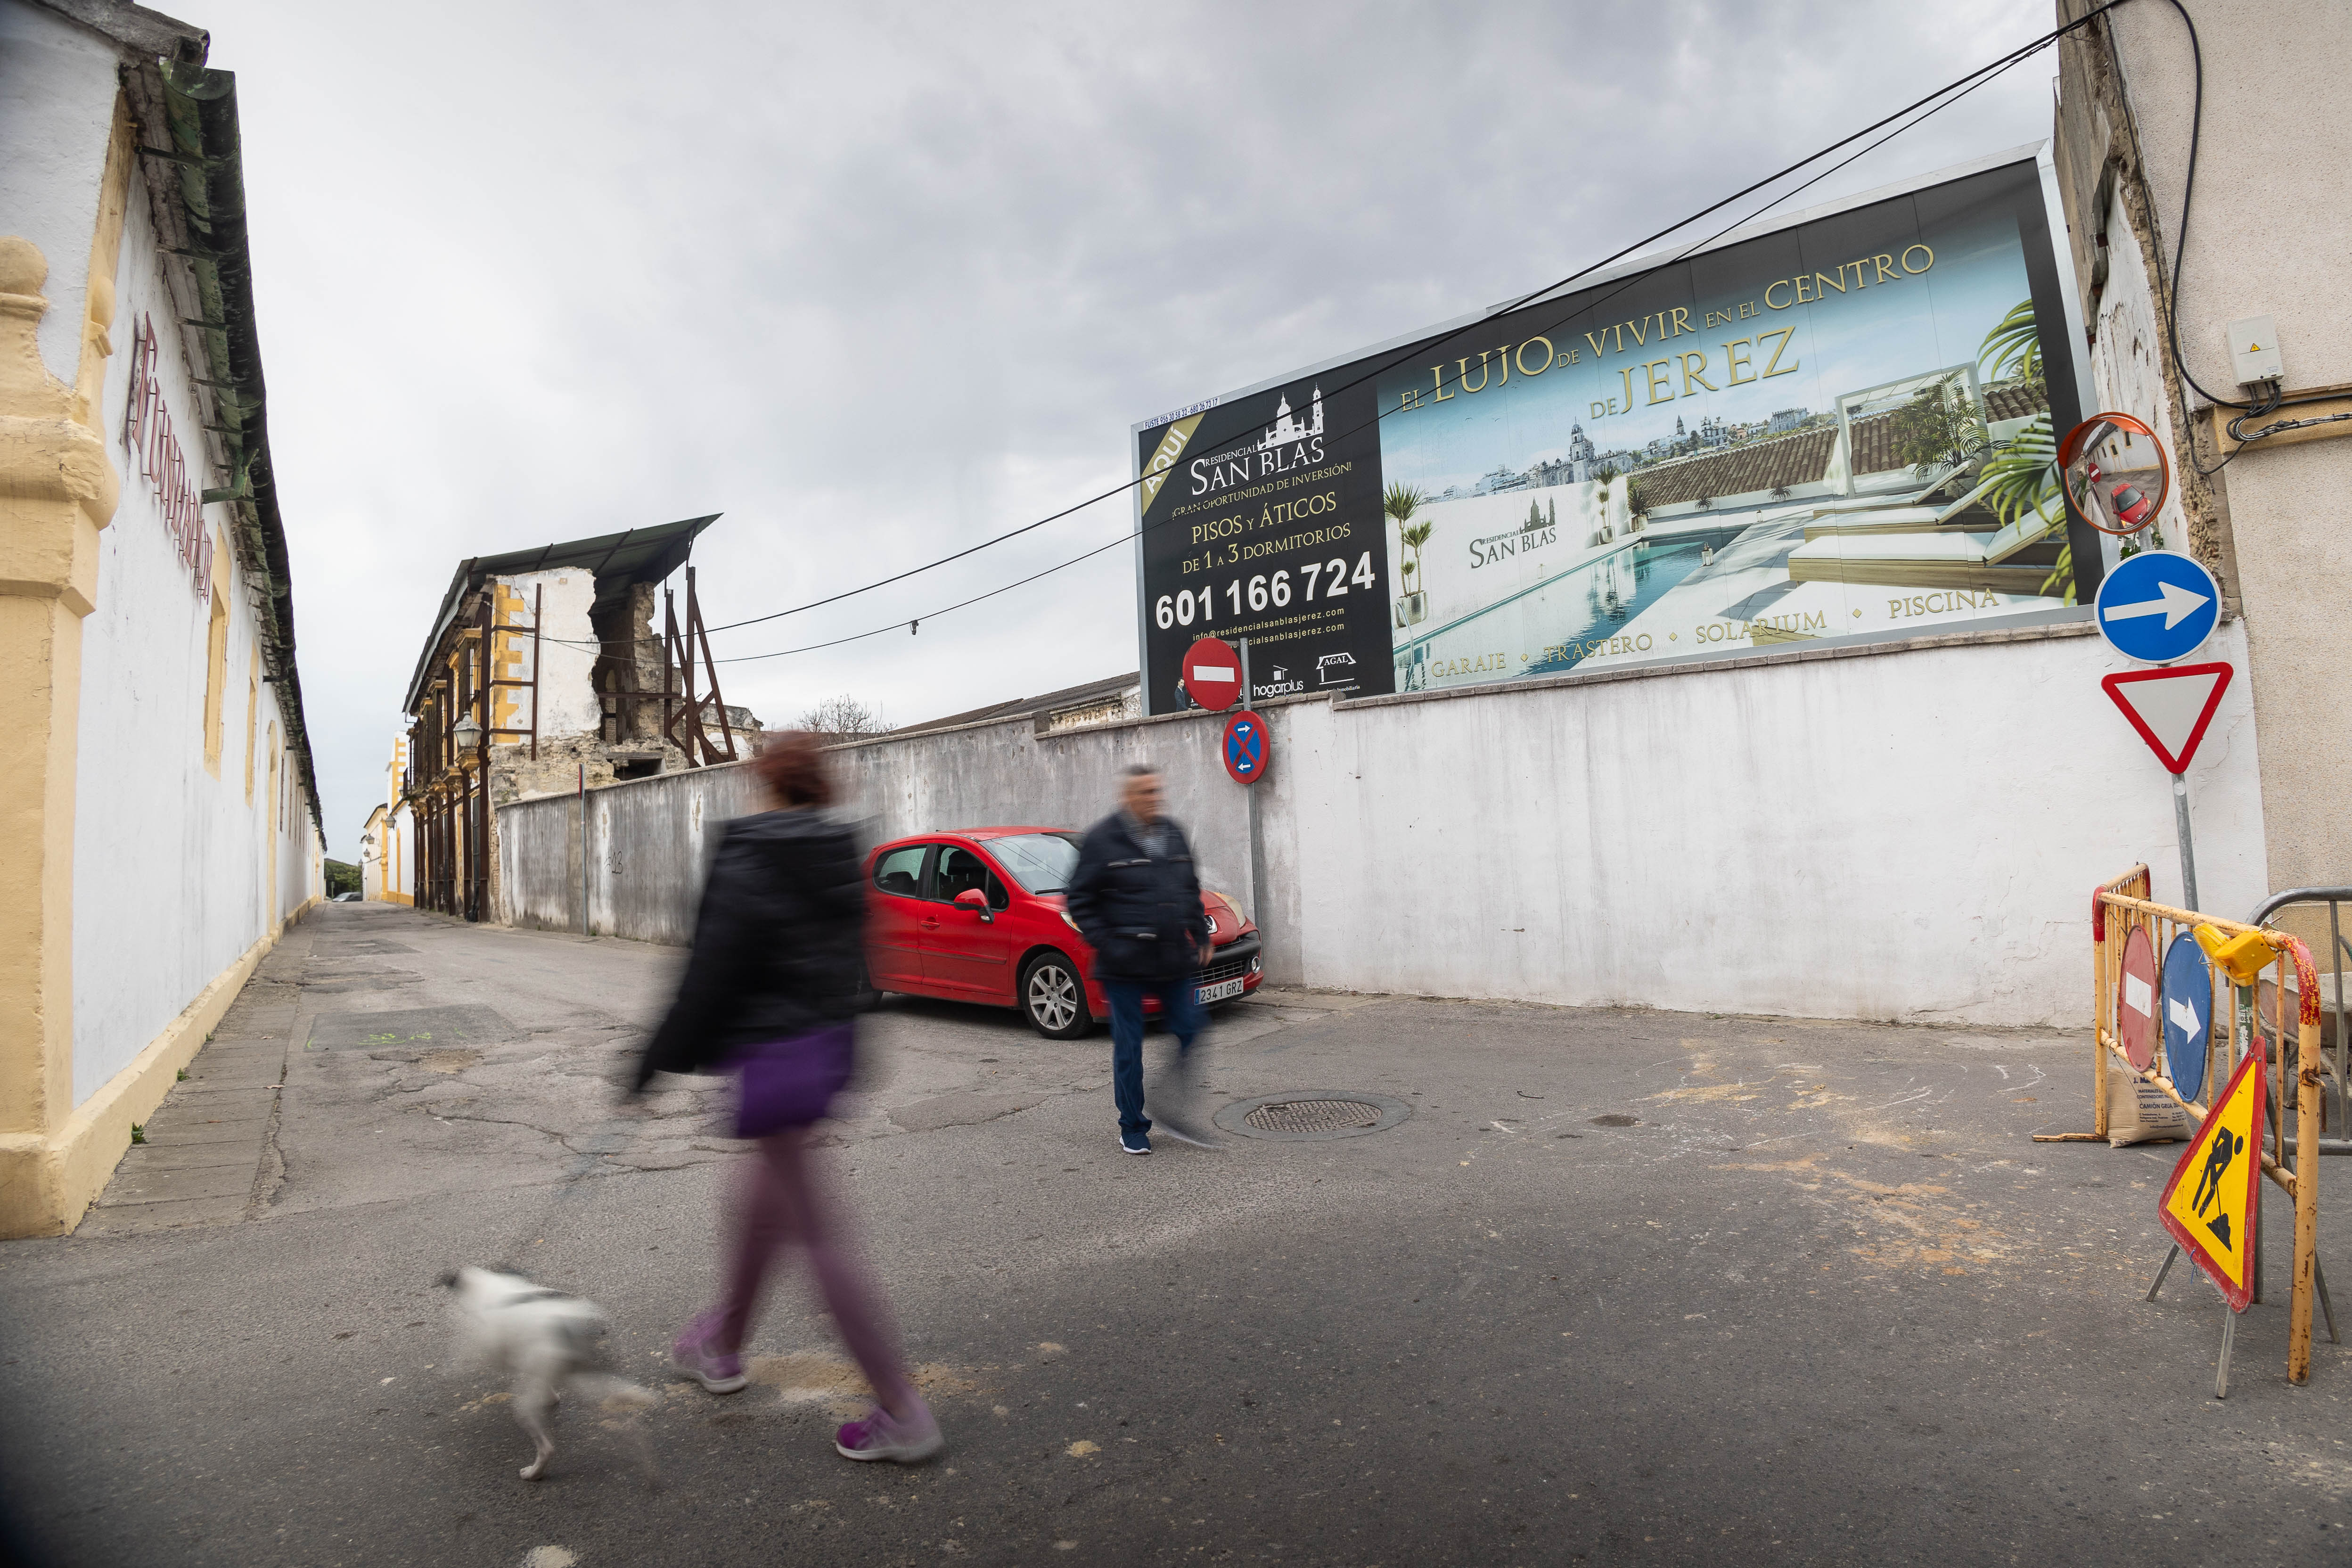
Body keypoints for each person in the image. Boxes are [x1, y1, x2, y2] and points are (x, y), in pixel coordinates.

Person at [627, 731, 940, 1463]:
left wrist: (651, 1061)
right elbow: (864, 965)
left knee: (818, 1233)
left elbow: (709, 972)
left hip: (771, 1059)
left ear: (765, 783)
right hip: (824, 1051)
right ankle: (724, 1345)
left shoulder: (750, 853)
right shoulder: (839, 853)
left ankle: (900, 1407)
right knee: (758, 1205)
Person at [1065, 763, 1217, 1155]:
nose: (1155, 799)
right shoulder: (1103, 840)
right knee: (1129, 1046)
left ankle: (1166, 1103)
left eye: (1157, 791)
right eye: (1147, 793)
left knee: (1192, 1028)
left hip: (1171, 957)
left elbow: (1188, 888)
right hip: (1125, 963)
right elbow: (1079, 899)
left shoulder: (1172, 833)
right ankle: (1132, 1125)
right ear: (1128, 797)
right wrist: (1108, 943)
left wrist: (1199, 933)